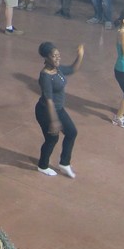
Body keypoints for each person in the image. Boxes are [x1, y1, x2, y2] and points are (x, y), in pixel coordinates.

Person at [35, 41, 85, 178]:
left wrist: (80, 55)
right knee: (52, 139)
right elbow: (49, 100)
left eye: (58, 55)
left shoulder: (57, 69)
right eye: (54, 56)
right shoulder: (45, 76)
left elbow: (72, 69)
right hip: (46, 112)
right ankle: (42, 166)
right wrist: (54, 121)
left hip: (58, 109)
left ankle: (64, 163)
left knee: (71, 132)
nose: (58, 58)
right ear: (46, 58)